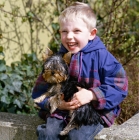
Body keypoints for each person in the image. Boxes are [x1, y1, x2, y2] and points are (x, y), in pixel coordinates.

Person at [32, 2, 128, 140]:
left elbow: (120, 87)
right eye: (65, 31)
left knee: (77, 136)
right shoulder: (56, 61)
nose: (69, 36)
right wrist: (56, 103)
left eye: (76, 31)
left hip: (92, 112)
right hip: (62, 110)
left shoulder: (103, 58)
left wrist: (92, 94)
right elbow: (38, 94)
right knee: (48, 134)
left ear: (91, 33)